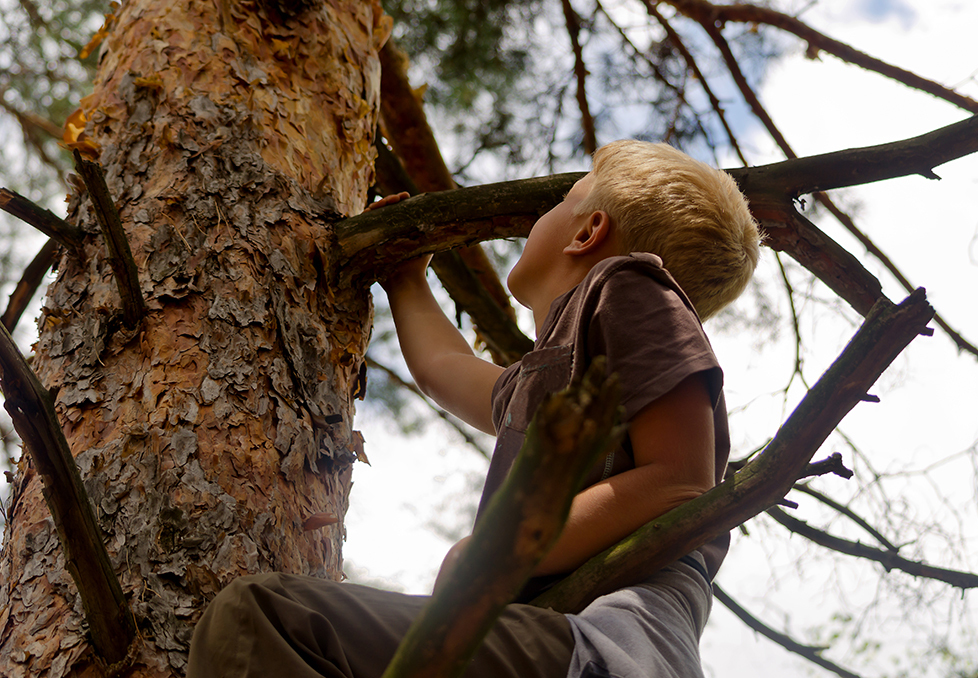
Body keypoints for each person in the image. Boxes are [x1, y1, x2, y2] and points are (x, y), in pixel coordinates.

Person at [186, 140, 761, 678]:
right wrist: (407, 278)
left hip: (606, 651)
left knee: (256, 618)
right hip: (550, 640)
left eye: (561, 200)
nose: (537, 218)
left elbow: (682, 484)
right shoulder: (552, 376)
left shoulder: (629, 283)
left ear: (587, 232)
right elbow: (444, 368)